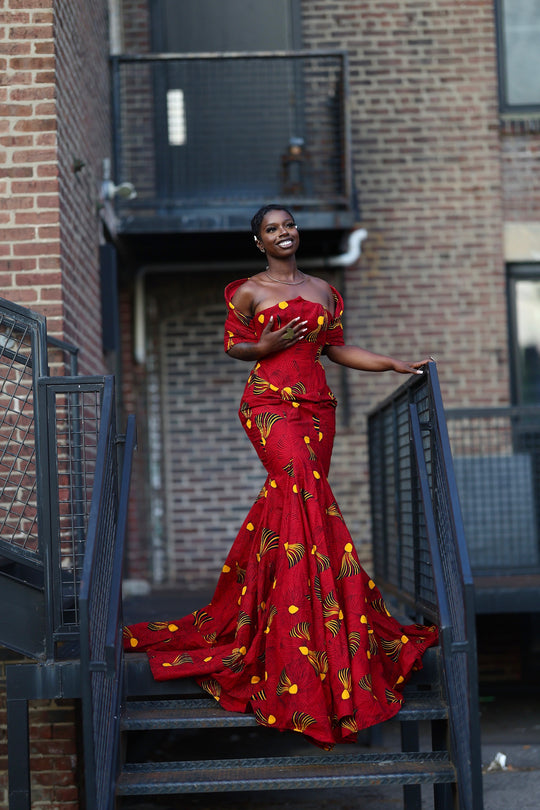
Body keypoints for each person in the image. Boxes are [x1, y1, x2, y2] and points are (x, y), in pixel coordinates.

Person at [123, 204, 438, 748]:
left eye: (288, 225)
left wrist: (391, 364)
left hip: (317, 408)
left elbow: (335, 348)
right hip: (269, 404)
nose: (283, 233)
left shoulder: (323, 291)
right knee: (301, 493)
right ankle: (307, 632)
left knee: (297, 508)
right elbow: (234, 345)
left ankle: (290, 616)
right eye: (272, 229)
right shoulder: (248, 291)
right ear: (259, 241)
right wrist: (264, 347)